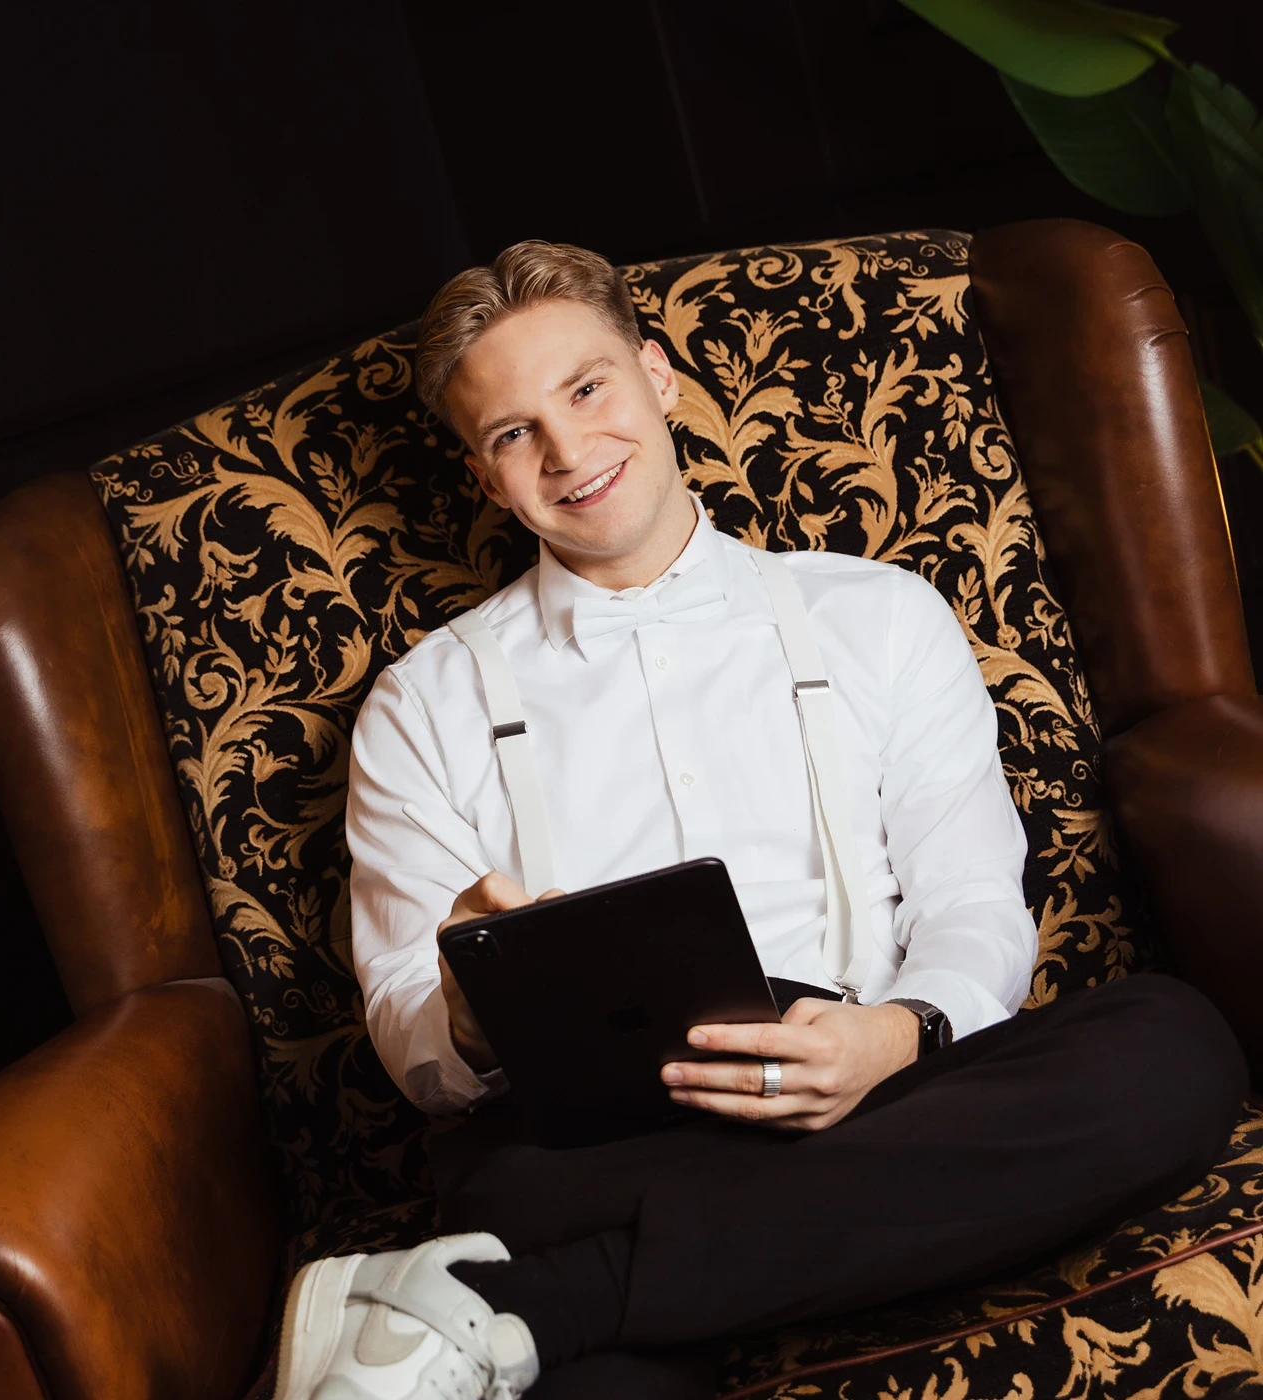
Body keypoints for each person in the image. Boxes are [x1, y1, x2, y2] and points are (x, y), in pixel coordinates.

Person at [270, 241, 1247, 1400]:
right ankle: (725, 1256)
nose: (568, 451)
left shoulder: (879, 614)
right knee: (518, 1224)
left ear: (657, 374)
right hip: (601, 1151)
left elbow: (973, 901)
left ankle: (529, 1302)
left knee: (1170, 1043)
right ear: (486, 477)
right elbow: (412, 1041)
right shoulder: (420, 704)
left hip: (880, 1094)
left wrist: (892, 1036)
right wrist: (469, 1013)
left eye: (586, 388)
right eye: (514, 432)